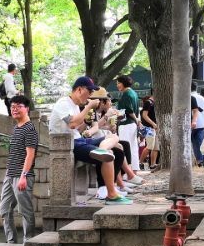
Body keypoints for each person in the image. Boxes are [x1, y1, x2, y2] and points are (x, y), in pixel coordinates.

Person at [48, 76, 131, 204]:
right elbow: (72, 124)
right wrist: (89, 107)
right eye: (90, 91)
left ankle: (102, 154)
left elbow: (79, 129)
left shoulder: (75, 106)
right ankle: (111, 194)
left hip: (79, 139)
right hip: (68, 143)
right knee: (108, 155)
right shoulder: (63, 103)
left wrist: (87, 121)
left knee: (116, 142)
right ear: (79, 90)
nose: (91, 95)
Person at [0, 94, 38, 243]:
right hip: (10, 175)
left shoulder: (30, 129)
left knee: (25, 211)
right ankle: (11, 242)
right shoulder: (16, 128)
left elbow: (30, 155)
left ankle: (29, 242)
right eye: (12, 107)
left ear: (26, 109)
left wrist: (23, 176)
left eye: (18, 106)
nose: (14, 109)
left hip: (22, 176)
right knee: (4, 209)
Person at [114, 74, 141, 170]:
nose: (117, 85)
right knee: (133, 148)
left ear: (123, 83)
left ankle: (126, 172)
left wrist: (136, 119)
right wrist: (137, 120)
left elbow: (129, 110)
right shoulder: (134, 93)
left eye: (118, 83)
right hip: (132, 125)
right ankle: (134, 170)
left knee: (124, 148)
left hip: (126, 124)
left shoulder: (126, 94)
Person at [190, 83, 204, 166]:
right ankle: (201, 161)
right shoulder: (202, 98)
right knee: (200, 144)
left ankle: (197, 161)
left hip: (190, 123)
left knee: (192, 144)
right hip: (201, 123)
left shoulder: (187, 97)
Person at [140, 94, 159, 169]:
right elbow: (144, 115)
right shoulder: (148, 102)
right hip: (149, 128)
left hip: (154, 128)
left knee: (156, 147)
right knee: (149, 146)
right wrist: (153, 124)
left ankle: (152, 164)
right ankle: (140, 162)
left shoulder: (154, 103)